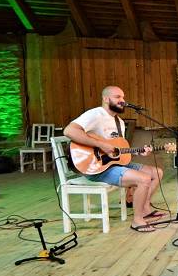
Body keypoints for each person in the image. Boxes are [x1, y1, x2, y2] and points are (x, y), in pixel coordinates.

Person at [63, 85, 163, 233]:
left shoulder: (119, 122)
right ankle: (137, 221)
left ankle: (145, 209)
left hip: (113, 165)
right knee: (144, 179)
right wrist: (100, 144)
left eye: (123, 97)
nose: (122, 100)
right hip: (96, 167)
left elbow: (118, 152)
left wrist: (138, 152)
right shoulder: (95, 114)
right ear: (105, 98)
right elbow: (69, 131)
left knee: (157, 173)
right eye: (117, 97)